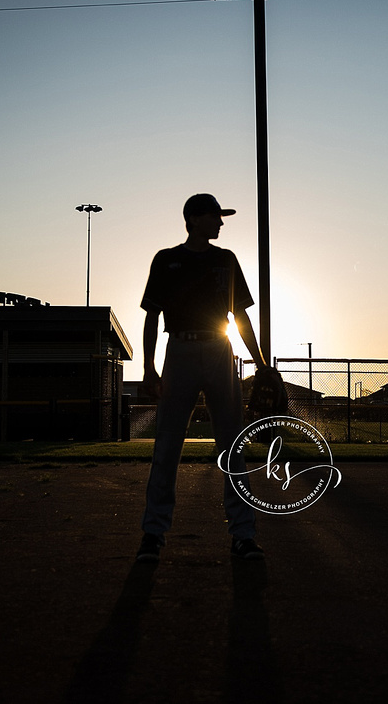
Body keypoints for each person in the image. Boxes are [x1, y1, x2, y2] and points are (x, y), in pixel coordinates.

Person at [136, 193, 271, 563]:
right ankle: (153, 534)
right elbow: (152, 316)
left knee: (232, 444)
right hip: (178, 350)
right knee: (167, 445)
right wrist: (149, 368)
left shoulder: (225, 259)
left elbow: (240, 315)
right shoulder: (167, 259)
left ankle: (243, 535)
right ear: (194, 218)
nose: (221, 223)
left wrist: (259, 364)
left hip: (218, 350)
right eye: (215, 216)